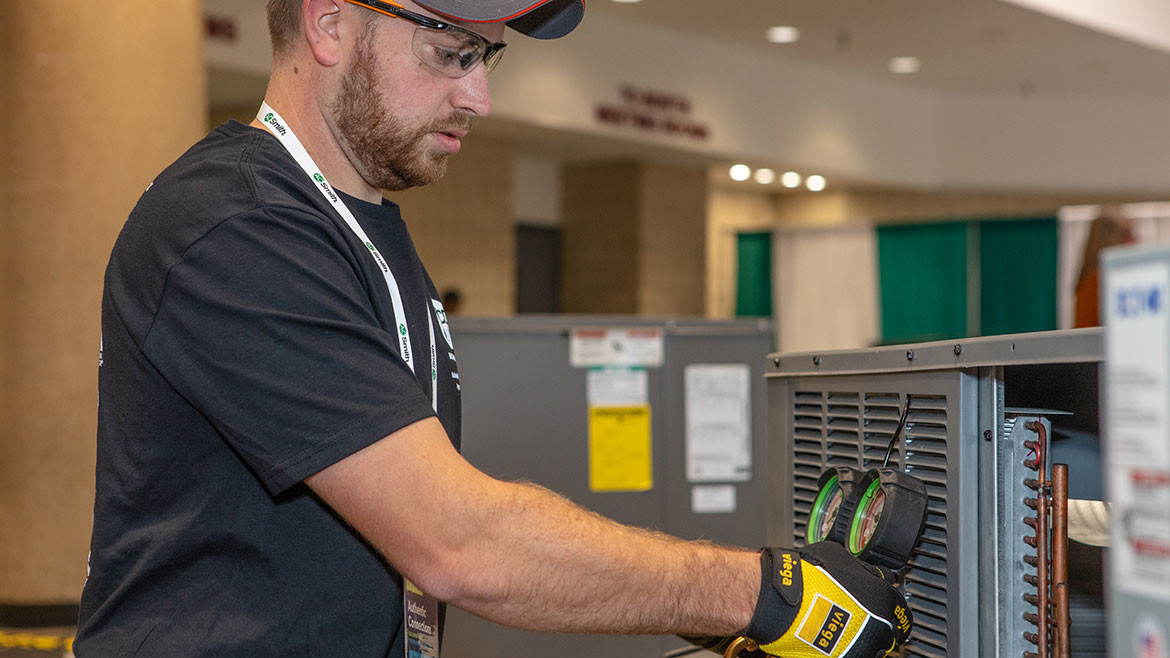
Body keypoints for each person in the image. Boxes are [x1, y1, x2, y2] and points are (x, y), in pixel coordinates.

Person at [76, 1, 912, 656]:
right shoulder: (235, 224)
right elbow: (459, 541)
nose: (480, 95)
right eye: (451, 53)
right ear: (329, 22)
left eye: (488, 57)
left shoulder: (361, 233)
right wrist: (768, 595)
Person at [1074, 207, 1137, 327]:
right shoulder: (1102, 281)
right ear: (1113, 240)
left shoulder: (1092, 278)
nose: (1136, 241)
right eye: (1128, 236)